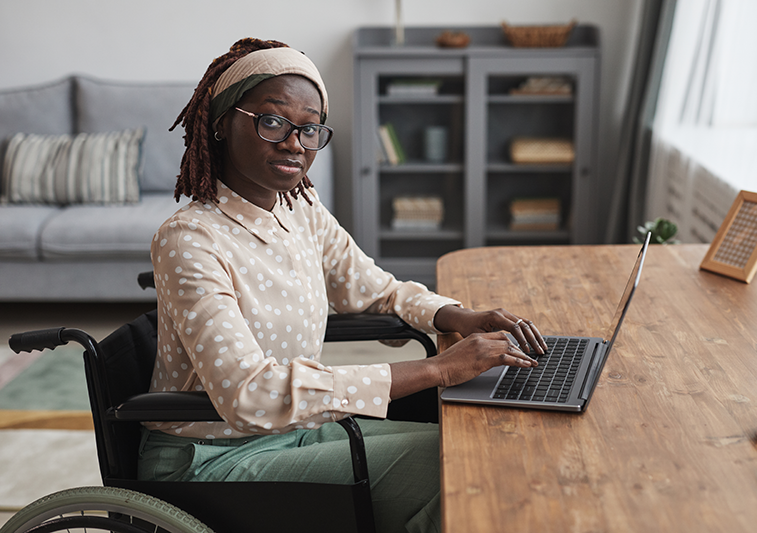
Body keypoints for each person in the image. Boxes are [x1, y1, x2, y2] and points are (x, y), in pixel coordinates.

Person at [139, 37, 547, 533]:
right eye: (273, 122)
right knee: (467, 475)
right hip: (210, 455)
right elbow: (249, 392)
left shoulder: (299, 209)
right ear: (224, 122)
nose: (294, 143)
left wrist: (455, 315)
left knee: (479, 451)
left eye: (309, 130)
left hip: (294, 430)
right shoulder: (190, 238)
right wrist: (436, 369)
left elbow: (376, 288)